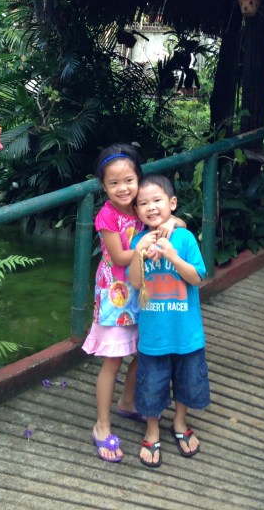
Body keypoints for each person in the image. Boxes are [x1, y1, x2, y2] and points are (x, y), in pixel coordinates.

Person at [82, 144, 182, 462]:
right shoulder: (107, 216)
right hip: (117, 295)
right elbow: (119, 257)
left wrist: (171, 223)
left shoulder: (141, 206)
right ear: (103, 186)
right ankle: (101, 425)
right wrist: (144, 245)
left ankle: (127, 402)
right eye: (114, 183)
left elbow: (175, 220)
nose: (123, 188)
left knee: (143, 349)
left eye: (129, 180)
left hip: (145, 293)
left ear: (138, 178)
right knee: (113, 360)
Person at [128, 174, 210, 469]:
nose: (151, 207)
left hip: (186, 333)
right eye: (143, 203)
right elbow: (135, 282)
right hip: (154, 335)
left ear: (172, 203)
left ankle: (179, 422)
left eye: (157, 200)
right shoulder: (139, 240)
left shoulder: (184, 238)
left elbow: (197, 277)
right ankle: (152, 430)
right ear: (137, 210)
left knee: (187, 382)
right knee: (151, 385)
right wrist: (139, 253)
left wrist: (173, 257)